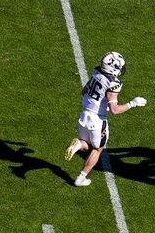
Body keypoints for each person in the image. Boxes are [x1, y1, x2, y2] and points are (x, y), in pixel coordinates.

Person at [63, 51, 147, 188]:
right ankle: (80, 178)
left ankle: (78, 144)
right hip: (97, 119)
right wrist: (132, 103)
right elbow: (114, 110)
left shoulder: (96, 72)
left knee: (86, 145)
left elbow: (84, 91)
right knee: (97, 149)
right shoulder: (113, 83)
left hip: (84, 115)